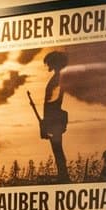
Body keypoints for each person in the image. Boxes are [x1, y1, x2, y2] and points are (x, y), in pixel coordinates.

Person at [40, 50, 71, 183]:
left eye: (49, 62)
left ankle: (63, 176)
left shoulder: (58, 78)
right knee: (57, 148)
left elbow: (53, 100)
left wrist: (46, 121)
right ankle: (62, 175)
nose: (48, 65)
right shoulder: (59, 77)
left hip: (54, 119)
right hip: (53, 118)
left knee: (57, 148)